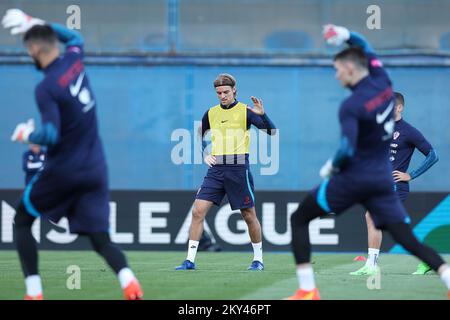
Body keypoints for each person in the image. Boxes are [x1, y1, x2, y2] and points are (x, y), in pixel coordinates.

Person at [286, 24, 450, 300]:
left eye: (337, 69)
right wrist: (343, 34)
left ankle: (307, 290)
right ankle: (447, 277)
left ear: (350, 69)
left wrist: (330, 168)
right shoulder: (384, 83)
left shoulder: (351, 105)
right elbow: (366, 46)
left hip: (355, 178)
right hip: (382, 180)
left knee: (300, 217)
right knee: (404, 237)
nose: (336, 75)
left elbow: (347, 149)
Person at [2, 9, 143, 300]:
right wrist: (34, 22)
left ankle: (34, 292)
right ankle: (129, 281)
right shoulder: (74, 61)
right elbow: (75, 37)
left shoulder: (46, 87)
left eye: (29, 48)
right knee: (99, 238)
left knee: (21, 220)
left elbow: (51, 136)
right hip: (95, 168)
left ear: (35, 48)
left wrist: (25, 135)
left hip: (64, 170)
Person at [175, 73, 276, 271]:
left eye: (226, 92)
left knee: (248, 215)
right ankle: (190, 261)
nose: (222, 96)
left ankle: (258, 260)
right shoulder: (211, 113)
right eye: (219, 92)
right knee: (197, 211)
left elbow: (271, 131)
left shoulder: (245, 111)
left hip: (238, 168)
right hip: (216, 169)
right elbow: (200, 133)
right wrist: (205, 152)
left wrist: (263, 115)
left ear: (234, 91)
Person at [350, 92, 439, 276]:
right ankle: (427, 260)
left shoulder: (409, 131)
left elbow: (433, 155)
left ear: (399, 108)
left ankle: (372, 265)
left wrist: (411, 175)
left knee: (373, 217)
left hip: (396, 186)